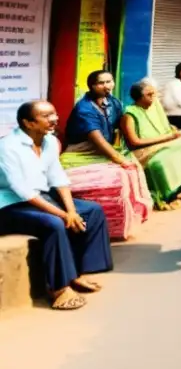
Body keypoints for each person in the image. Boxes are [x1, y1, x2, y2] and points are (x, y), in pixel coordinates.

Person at [0, 100, 113, 310]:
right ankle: (59, 288)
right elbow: (22, 191)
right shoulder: (7, 147)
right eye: (46, 116)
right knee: (53, 224)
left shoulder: (50, 141)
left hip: (42, 197)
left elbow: (57, 177)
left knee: (92, 211)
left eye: (54, 113)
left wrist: (70, 210)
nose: (54, 119)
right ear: (28, 123)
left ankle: (78, 273)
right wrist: (63, 215)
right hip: (10, 205)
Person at [60, 70, 153, 218]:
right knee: (123, 171)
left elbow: (122, 125)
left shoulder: (113, 102)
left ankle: (138, 211)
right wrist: (119, 159)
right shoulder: (84, 109)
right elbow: (98, 140)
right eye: (101, 83)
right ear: (91, 86)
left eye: (109, 81)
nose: (106, 86)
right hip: (82, 150)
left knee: (134, 166)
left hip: (105, 147)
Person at [121, 80, 181, 211]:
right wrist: (167, 138)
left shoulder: (154, 107)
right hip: (141, 152)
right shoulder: (129, 114)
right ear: (138, 97)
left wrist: (171, 132)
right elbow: (135, 142)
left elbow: (164, 126)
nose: (153, 97)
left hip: (159, 143)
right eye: (148, 95)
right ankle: (169, 195)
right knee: (165, 159)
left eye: (153, 94)